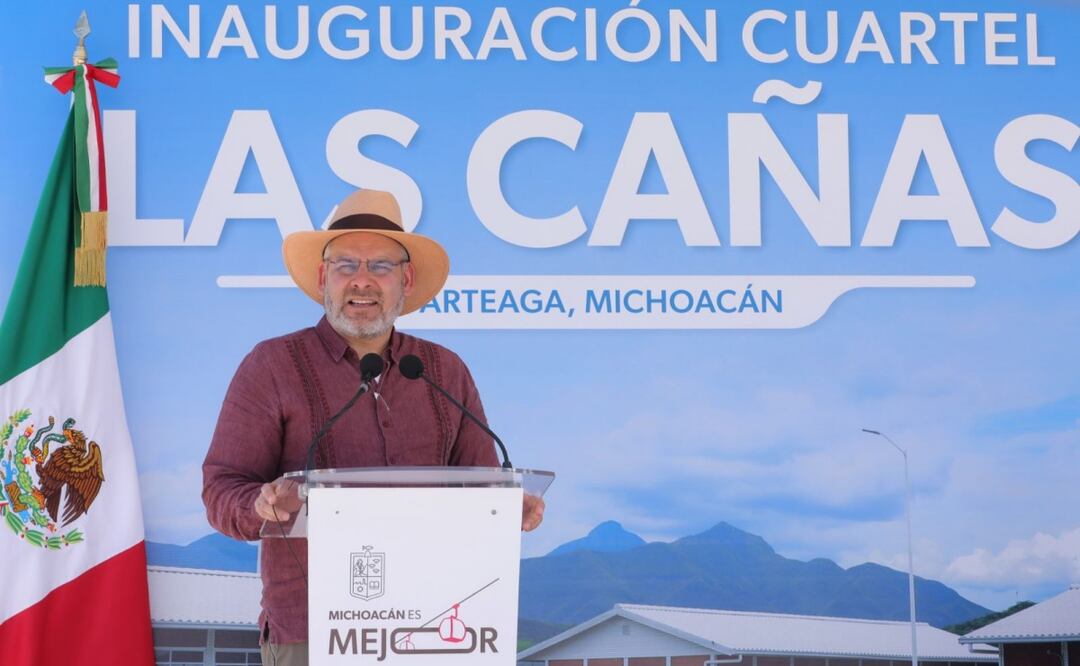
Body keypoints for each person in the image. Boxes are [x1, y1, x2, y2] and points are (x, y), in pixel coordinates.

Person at [202, 189, 544, 665]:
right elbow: (222, 489)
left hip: (434, 625)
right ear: (323, 277)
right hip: (314, 632)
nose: (362, 280)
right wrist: (262, 505)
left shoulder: (445, 372)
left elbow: (481, 486)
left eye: (380, 266)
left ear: (406, 280)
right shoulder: (272, 365)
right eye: (346, 264)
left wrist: (507, 508)